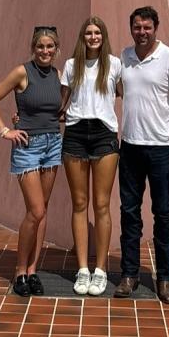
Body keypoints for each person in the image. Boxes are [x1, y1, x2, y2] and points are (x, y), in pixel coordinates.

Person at [114, 6, 169, 305]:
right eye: (137, 27)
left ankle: (164, 278)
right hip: (131, 146)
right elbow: (107, 87)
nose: (142, 32)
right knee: (129, 213)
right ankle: (129, 274)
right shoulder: (124, 57)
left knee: (163, 214)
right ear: (131, 28)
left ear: (156, 28)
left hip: (162, 149)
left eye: (147, 27)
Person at [0, 26, 62, 297]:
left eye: (50, 46)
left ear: (56, 49)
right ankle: (19, 270)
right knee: (35, 211)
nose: (45, 51)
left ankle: (32, 271)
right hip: (28, 147)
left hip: (53, 145)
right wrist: (6, 130)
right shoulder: (21, 72)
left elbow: (57, 111)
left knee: (43, 211)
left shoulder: (57, 75)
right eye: (40, 46)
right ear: (33, 48)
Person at [60, 16, 123, 296]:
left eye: (97, 32)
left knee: (101, 204)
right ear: (82, 36)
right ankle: (83, 269)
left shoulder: (114, 64)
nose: (93, 37)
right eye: (88, 32)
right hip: (75, 132)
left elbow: (125, 95)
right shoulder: (72, 65)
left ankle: (101, 269)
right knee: (79, 203)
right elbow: (60, 101)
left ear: (103, 35)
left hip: (104, 135)